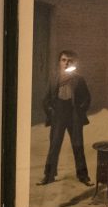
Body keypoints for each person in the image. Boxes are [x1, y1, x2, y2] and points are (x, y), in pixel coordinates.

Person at [39, 49, 92, 186]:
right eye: (63, 60)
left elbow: (87, 98)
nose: (66, 63)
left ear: (74, 63)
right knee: (54, 146)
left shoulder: (78, 79)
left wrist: (80, 111)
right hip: (58, 114)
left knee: (78, 145)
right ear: (59, 62)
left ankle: (83, 176)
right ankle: (49, 176)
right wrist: (51, 112)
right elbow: (46, 99)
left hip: (74, 114)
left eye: (69, 61)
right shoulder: (54, 78)